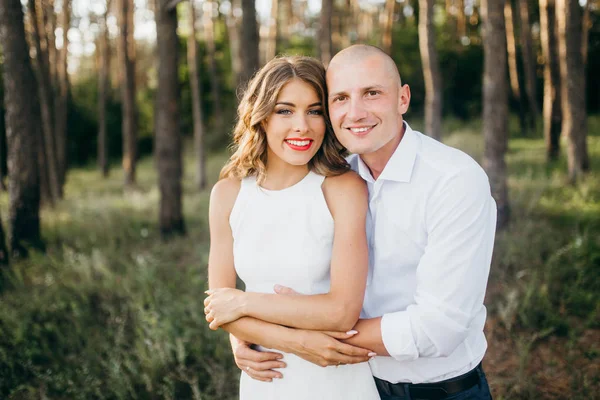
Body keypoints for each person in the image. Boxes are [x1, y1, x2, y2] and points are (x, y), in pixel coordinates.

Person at [213, 45, 497, 400]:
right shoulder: (341, 174)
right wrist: (246, 335)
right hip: (350, 379)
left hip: (435, 390)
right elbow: (222, 302)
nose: (355, 112)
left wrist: (293, 336)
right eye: (340, 98)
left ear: (403, 98)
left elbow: (439, 327)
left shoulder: (453, 180)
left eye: (372, 94)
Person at [205, 55, 380, 399]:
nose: (302, 126)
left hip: (336, 379)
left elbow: (341, 312)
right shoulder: (227, 193)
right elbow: (219, 308)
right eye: (285, 110)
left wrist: (243, 303)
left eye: (314, 111)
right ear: (262, 116)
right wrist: (297, 341)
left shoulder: (342, 188)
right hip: (265, 377)